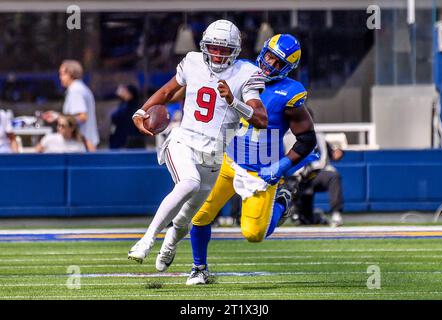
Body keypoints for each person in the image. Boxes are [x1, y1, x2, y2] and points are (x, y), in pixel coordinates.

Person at [157, 34, 319, 285]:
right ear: (262, 51)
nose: (271, 65)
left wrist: (282, 166)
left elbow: (307, 139)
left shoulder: (290, 93)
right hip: (226, 161)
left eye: (279, 63)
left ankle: (283, 202)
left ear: (288, 68)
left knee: (253, 234)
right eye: (269, 57)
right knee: (199, 215)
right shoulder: (238, 71)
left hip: (260, 171)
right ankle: (199, 268)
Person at [127, 20, 268, 265]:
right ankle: (147, 239)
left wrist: (234, 101)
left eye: (224, 49)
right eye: (213, 47)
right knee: (189, 183)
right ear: (205, 45)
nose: (217, 53)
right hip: (184, 141)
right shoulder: (192, 62)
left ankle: (170, 243)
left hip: (213, 156)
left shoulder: (246, 73)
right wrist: (141, 111)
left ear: (234, 50)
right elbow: (168, 91)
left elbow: (261, 119)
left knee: (185, 220)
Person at [288, 130, 344, 227]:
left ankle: (336, 214)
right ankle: (301, 213)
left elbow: (333, 154)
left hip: (316, 174)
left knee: (333, 176)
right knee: (305, 220)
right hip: (297, 178)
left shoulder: (319, 137)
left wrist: (338, 153)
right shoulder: (287, 137)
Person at [43, 60, 99, 149]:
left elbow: (82, 117)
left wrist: (58, 117)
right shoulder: (81, 88)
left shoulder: (75, 91)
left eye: (62, 74)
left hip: (81, 145)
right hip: (86, 144)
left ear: (71, 74)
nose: (60, 77)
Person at [109, 84, 146, 149]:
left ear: (131, 94)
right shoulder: (124, 105)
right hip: (121, 141)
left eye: (126, 92)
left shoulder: (136, 107)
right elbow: (114, 117)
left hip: (132, 141)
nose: (124, 93)